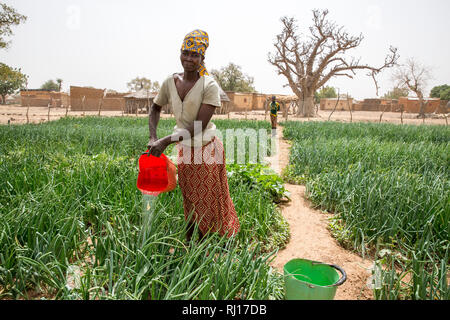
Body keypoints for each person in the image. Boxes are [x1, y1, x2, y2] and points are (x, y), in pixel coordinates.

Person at [147, 29, 240, 242]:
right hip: (185, 150)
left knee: (207, 199)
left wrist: (165, 141)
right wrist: (153, 138)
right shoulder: (170, 82)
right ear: (180, 53)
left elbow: (199, 126)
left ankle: (206, 244)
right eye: (185, 53)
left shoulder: (209, 85)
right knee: (189, 197)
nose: (189, 59)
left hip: (206, 149)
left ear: (202, 58)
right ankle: (190, 241)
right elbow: (155, 108)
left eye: (194, 55)